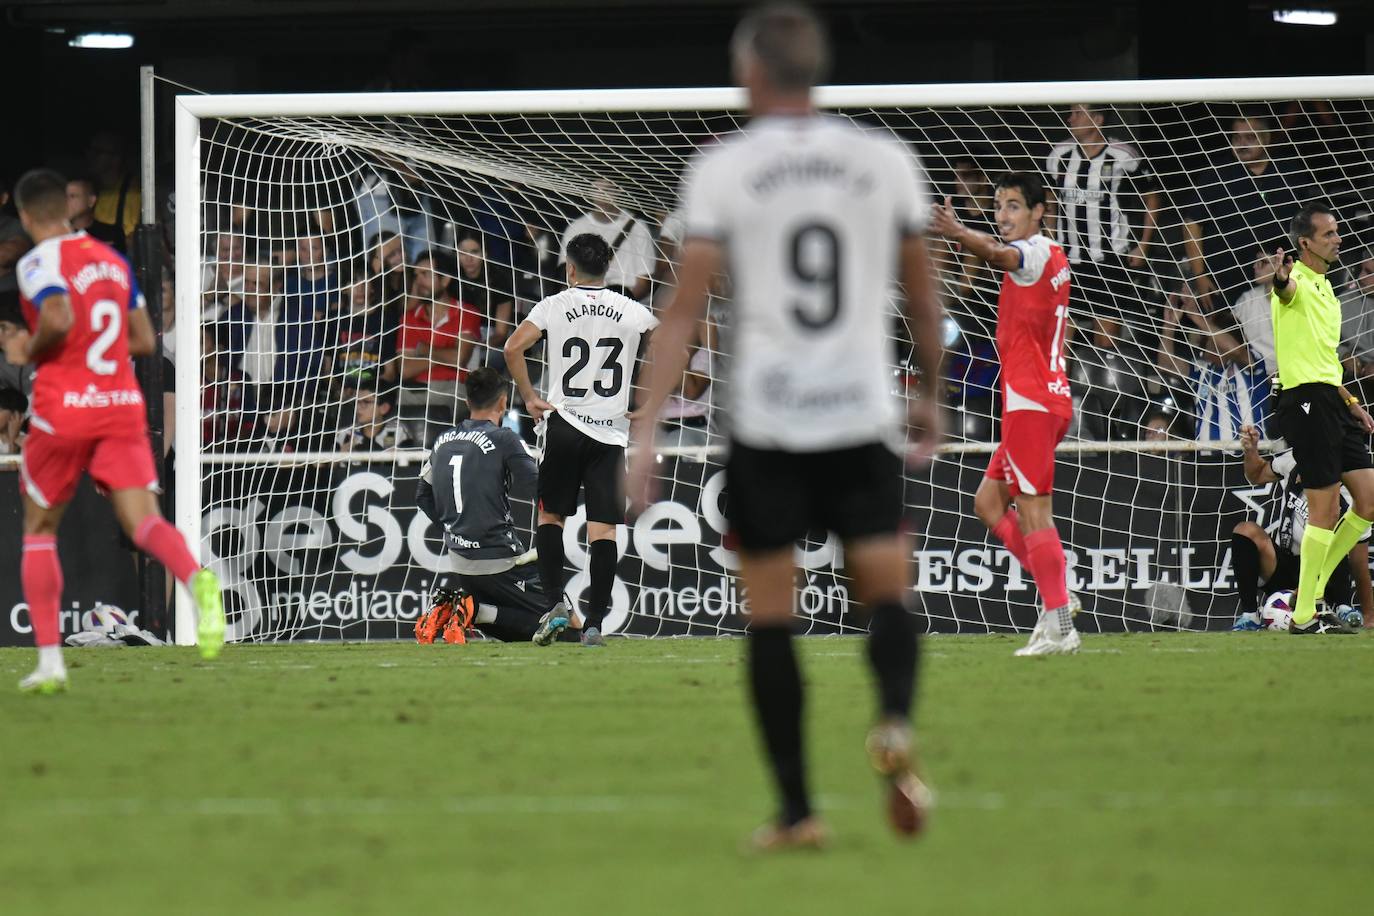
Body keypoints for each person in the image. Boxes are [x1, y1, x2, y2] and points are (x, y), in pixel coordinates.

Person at [627, 4, 942, 848]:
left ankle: (800, 814)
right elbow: (921, 297)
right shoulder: (883, 160)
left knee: (771, 617)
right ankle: (896, 722)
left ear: (753, 73)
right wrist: (932, 391)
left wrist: (647, 426)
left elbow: (682, 309)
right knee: (885, 593)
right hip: (859, 415)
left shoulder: (724, 170)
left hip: (768, 422)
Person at [0, 169, 224, 693]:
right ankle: (197, 580)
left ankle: (52, 664)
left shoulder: (39, 261)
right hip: (120, 404)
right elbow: (145, 339)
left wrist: (27, 349)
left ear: (29, 217)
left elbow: (54, 317)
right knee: (143, 522)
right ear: (67, 208)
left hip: (64, 406)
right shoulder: (111, 261)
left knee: (38, 530)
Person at [931, 172, 1082, 656]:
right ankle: (1057, 595)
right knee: (988, 504)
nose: (1003, 215)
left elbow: (999, 255)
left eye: (1014, 206)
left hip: (1032, 403)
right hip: (1045, 396)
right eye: (999, 206)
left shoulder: (1033, 253)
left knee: (1035, 512)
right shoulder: (1057, 258)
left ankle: (1061, 624)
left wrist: (957, 234)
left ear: (1040, 211)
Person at [505, 232, 658, 648]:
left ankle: (555, 603)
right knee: (604, 531)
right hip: (610, 435)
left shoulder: (553, 306)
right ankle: (593, 623)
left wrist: (530, 398)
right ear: (608, 267)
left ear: (570, 268)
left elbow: (512, 347)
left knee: (550, 518)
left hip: (563, 427)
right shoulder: (631, 309)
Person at [414, 367, 582, 645]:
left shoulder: (442, 442)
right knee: (569, 630)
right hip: (501, 560)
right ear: (504, 402)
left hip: (461, 563)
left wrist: (458, 530)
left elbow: (422, 496)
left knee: (520, 633)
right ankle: (473, 609)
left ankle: (471, 609)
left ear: (468, 402)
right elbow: (539, 490)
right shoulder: (505, 439)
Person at [1269, 201, 1374, 634]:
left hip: (1331, 398)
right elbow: (1283, 290)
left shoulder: (1328, 287)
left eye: (1337, 232)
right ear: (1305, 242)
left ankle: (1312, 592)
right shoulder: (1294, 279)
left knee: (1368, 503)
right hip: (1305, 402)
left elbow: (1324, 359)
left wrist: (1351, 402)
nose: (1338, 238)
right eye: (1328, 234)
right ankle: (1304, 614)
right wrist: (1278, 277)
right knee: (1324, 511)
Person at [1231, 424, 1371, 631]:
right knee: (1245, 530)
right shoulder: (1291, 462)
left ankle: (1342, 606)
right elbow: (1257, 475)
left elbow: (1359, 562)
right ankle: (1250, 615)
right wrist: (1251, 450)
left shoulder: (1355, 496)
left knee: (1336, 538)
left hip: (1322, 576)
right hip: (1286, 561)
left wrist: (1370, 614)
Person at [1045, 104, 1162, 334]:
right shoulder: (1058, 154)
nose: (1070, 119)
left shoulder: (1123, 154)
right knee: (1062, 337)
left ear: (1097, 119)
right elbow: (1049, 201)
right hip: (1068, 260)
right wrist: (1050, 244)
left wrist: (1143, 245)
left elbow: (1153, 196)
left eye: (1077, 113)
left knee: (1106, 340)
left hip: (1110, 260)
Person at [559, 179, 657, 300]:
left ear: (619, 191)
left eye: (607, 190)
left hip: (629, 304)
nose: (601, 197)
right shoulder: (576, 228)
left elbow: (644, 282)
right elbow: (569, 276)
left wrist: (617, 306)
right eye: (596, 190)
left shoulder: (638, 228)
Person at [64, 176, 120, 247]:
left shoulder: (111, 234)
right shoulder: (55, 236)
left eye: (72, 196)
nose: (66, 201)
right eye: (64, 196)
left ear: (91, 201)